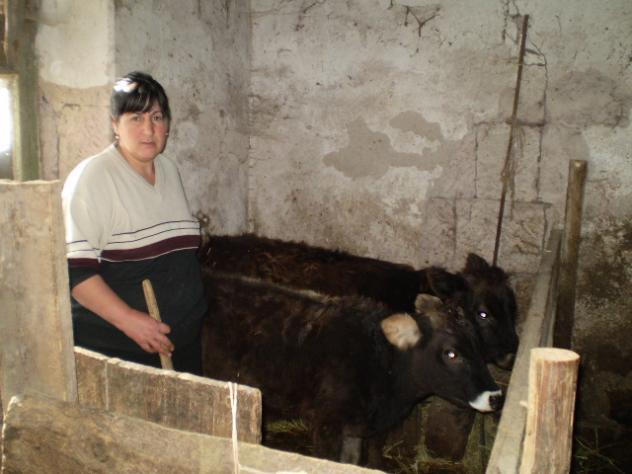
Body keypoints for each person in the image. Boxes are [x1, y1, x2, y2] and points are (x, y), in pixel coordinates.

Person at [61, 71, 207, 375]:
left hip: (179, 345)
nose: (149, 130)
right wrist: (130, 321)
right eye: (136, 118)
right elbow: (75, 273)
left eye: (157, 117)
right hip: (122, 352)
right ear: (115, 124)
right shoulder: (93, 178)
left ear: (167, 125)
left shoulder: (168, 170)